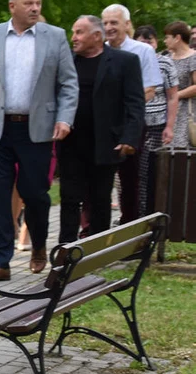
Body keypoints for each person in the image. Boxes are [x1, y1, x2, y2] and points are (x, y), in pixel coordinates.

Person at [0, 0, 78, 282]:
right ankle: (0, 262)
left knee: (35, 194)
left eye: (38, 3)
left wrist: (65, 118)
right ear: (12, 6)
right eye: (28, 3)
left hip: (37, 128)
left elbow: (68, 83)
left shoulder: (55, 36)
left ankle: (38, 244)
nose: (35, 8)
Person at [58, 16, 144, 242]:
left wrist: (130, 137)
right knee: (69, 198)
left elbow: (135, 103)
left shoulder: (125, 61)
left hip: (106, 142)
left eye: (79, 32)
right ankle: (65, 250)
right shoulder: (66, 61)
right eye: (73, 32)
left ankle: (95, 250)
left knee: (100, 199)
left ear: (97, 36)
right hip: (71, 142)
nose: (73, 38)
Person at [101, 5, 163, 223]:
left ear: (126, 25)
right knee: (98, 178)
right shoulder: (98, 49)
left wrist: (124, 111)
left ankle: (130, 229)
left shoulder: (142, 50)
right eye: (105, 23)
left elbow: (150, 89)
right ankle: (93, 232)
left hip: (130, 124)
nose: (109, 27)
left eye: (114, 23)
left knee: (130, 179)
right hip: (102, 125)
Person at [134, 25, 179, 215]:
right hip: (134, 124)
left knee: (150, 172)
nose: (147, 46)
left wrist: (169, 126)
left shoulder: (165, 64)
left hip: (156, 125)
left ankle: (150, 213)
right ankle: (133, 214)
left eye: (150, 41)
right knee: (132, 174)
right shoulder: (129, 61)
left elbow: (173, 96)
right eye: (142, 42)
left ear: (156, 42)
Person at [164, 21, 196, 148]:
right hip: (167, 111)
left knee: (182, 152)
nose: (165, 41)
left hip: (187, 112)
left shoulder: (193, 57)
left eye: (167, 37)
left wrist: (175, 95)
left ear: (177, 38)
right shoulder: (166, 58)